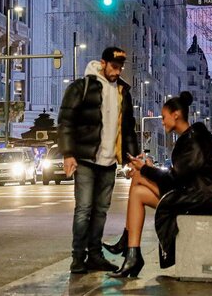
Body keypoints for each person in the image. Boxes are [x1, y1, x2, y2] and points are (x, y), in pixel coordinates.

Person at [104, 92, 212, 278]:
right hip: (194, 194)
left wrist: (146, 169)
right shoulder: (190, 138)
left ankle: (130, 248)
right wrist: (148, 169)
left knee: (138, 178)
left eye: (163, 117)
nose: (162, 121)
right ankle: (131, 251)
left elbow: (174, 178)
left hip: (200, 199)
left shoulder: (194, 141)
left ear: (176, 114)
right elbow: (179, 176)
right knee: (137, 189)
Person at [58, 47, 139, 275]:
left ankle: (95, 255)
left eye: (121, 67)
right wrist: (68, 154)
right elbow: (65, 121)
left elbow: (129, 129)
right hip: (85, 159)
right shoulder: (82, 87)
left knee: (101, 210)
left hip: (109, 162)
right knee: (84, 209)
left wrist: (132, 158)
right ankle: (77, 258)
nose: (118, 71)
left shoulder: (123, 91)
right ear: (103, 63)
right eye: (114, 66)